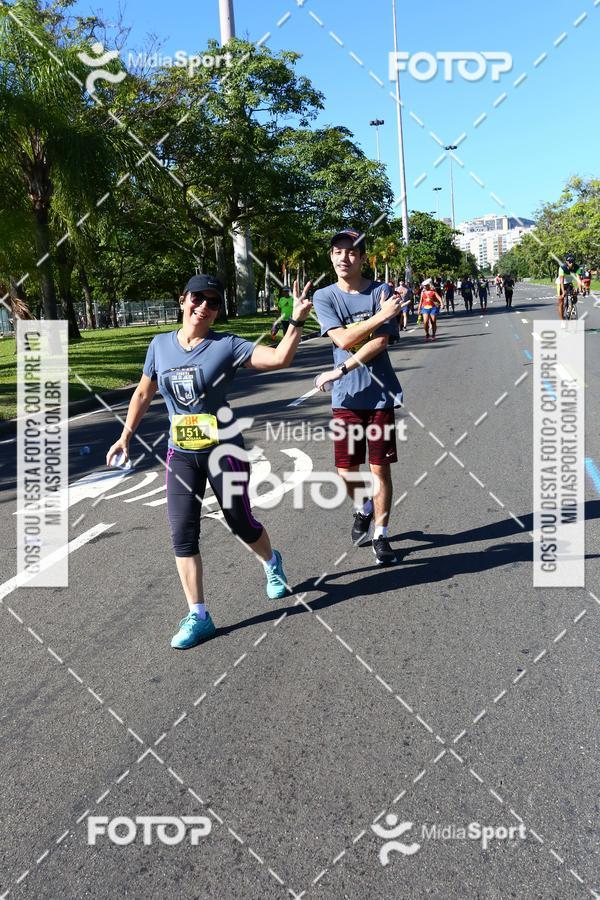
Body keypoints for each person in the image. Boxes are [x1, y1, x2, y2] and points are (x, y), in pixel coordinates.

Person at [106, 273, 312, 650]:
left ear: (218, 311)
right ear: (182, 299)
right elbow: (143, 392)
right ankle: (199, 615)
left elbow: (280, 358)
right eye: (198, 298)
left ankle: (271, 562)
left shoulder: (226, 346)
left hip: (225, 451)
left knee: (240, 521)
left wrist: (296, 320)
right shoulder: (160, 345)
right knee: (182, 532)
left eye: (213, 302)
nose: (203, 306)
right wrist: (125, 436)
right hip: (180, 453)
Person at [312, 228, 406, 566]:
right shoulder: (325, 297)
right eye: (337, 251)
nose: (343, 257)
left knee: (379, 469)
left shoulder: (382, 290)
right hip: (346, 399)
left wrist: (341, 368)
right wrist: (381, 316)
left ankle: (381, 534)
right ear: (331, 257)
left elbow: (380, 343)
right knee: (345, 470)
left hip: (380, 396)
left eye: (351, 252)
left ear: (363, 258)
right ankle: (362, 506)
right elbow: (342, 338)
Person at [555, 254, 584, 321]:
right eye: (569, 261)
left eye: (572, 261)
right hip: (560, 284)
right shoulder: (562, 268)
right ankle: (562, 320)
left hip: (569, 283)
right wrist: (563, 293)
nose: (571, 263)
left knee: (575, 296)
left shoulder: (577, 267)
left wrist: (580, 289)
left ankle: (571, 306)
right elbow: (561, 281)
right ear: (566, 261)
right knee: (561, 301)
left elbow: (578, 279)